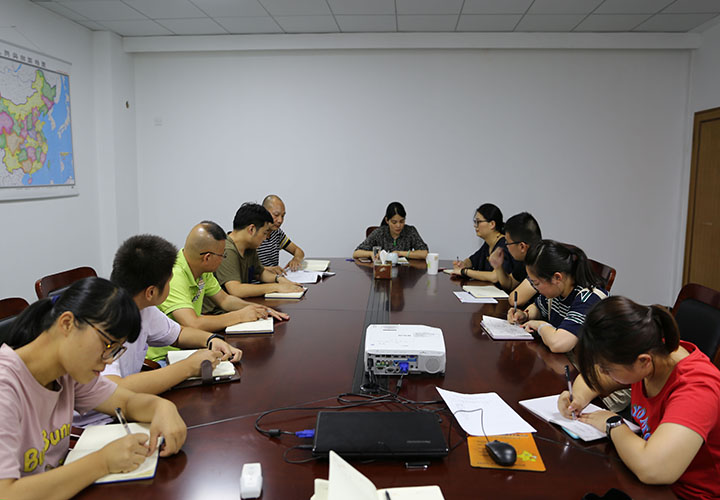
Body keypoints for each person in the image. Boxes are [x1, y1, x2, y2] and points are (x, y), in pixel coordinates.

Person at [0, 278, 186, 500]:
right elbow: (6, 493)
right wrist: (102, 462)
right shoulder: (5, 387)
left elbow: (126, 402)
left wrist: (162, 408)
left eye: (116, 350)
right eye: (107, 345)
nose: (109, 360)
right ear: (67, 324)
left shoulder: (67, 372)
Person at [558, 296, 720, 500]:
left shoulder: (697, 388)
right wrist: (578, 399)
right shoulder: (646, 351)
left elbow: (654, 469)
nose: (603, 373)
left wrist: (613, 424)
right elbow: (593, 378)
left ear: (643, 362)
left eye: (608, 368)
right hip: (645, 482)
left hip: (686, 494)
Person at [74, 235, 243, 427]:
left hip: (126, 410)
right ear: (151, 292)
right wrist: (188, 367)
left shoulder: (142, 307)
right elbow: (114, 389)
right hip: (98, 424)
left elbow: (178, 334)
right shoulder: (102, 321)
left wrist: (211, 339)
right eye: (169, 281)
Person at [158, 221, 288, 333]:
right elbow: (193, 323)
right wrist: (240, 316)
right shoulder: (174, 276)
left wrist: (258, 309)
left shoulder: (202, 269)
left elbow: (225, 300)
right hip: (169, 353)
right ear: (207, 258)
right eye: (222, 255)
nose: (223, 260)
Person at [508, 239, 607, 353]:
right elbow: (538, 307)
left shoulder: (589, 298)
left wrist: (539, 325)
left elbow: (558, 344)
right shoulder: (558, 291)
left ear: (557, 278)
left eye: (536, 283)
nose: (536, 288)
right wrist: (525, 315)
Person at [206, 204, 304, 304]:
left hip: (240, 303)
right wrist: (276, 287)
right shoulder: (226, 250)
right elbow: (236, 290)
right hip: (218, 310)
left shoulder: (249, 246)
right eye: (264, 233)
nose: (265, 238)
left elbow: (259, 273)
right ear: (251, 229)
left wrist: (279, 279)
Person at [488, 212, 542, 304]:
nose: (506, 246)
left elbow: (515, 299)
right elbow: (510, 284)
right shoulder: (525, 259)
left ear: (522, 246)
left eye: (508, 243)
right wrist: (498, 267)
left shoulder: (540, 262)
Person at [452, 203, 514, 283]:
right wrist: (463, 264)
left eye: (478, 222)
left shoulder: (503, 245)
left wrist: (464, 271)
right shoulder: (488, 244)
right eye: (475, 222)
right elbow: (472, 260)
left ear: (492, 224)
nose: (475, 225)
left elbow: (495, 276)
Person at [353, 202, 429, 260]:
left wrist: (400, 253)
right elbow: (356, 253)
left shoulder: (410, 231)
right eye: (394, 222)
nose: (398, 225)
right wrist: (371, 254)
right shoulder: (379, 233)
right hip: (383, 271)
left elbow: (424, 253)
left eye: (402, 221)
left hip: (405, 272)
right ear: (387, 220)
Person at [257, 195, 306, 273]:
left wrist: (296, 259)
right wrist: (269, 270)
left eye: (283, 216)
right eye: (276, 215)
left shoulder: (277, 233)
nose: (280, 220)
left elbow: (299, 251)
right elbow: (248, 269)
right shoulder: (254, 234)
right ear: (264, 212)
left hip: (274, 278)